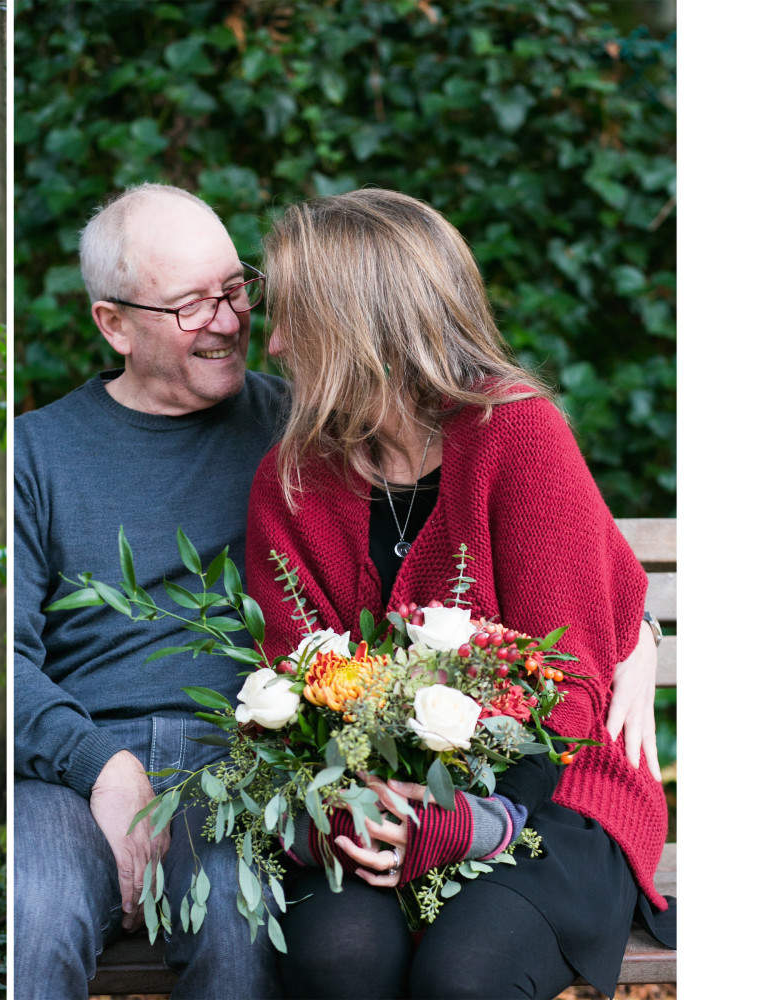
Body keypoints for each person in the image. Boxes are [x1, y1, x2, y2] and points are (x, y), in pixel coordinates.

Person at [243, 188, 674, 998]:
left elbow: (571, 680)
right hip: (368, 799)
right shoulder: (294, 477)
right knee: (340, 959)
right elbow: (294, 680)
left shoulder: (518, 434)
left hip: (552, 791)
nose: (270, 343)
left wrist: (474, 820)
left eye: (292, 317)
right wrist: (354, 811)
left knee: (465, 976)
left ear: (359, 324)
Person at [14, 183, 292, 998]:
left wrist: (634, 618)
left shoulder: (297, 427)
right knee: (36, 922)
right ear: (114, 323)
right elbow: (11, 662)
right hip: (70, 765)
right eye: (192, 305)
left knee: (243, 944)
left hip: (240, 761)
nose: (230, 320)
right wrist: (99, 764)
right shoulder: (35, 453)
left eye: (235, 288)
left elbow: (453, 522)